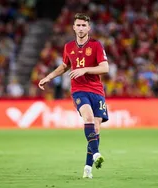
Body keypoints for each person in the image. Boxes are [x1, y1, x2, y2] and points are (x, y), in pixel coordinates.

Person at [38, 13, 109, 179]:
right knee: (88, 117)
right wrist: (48, 77)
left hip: (97, 91)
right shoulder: (68, 47)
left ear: (89, 28)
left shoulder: (96, 45)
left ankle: (87, 169)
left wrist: (85, 69)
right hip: (79, 90)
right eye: (78, 25)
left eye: (84, 25)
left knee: (96, 128)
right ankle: (97, 153)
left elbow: (105, 68)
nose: (81, 28)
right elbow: (64, 66)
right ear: (74, 27)